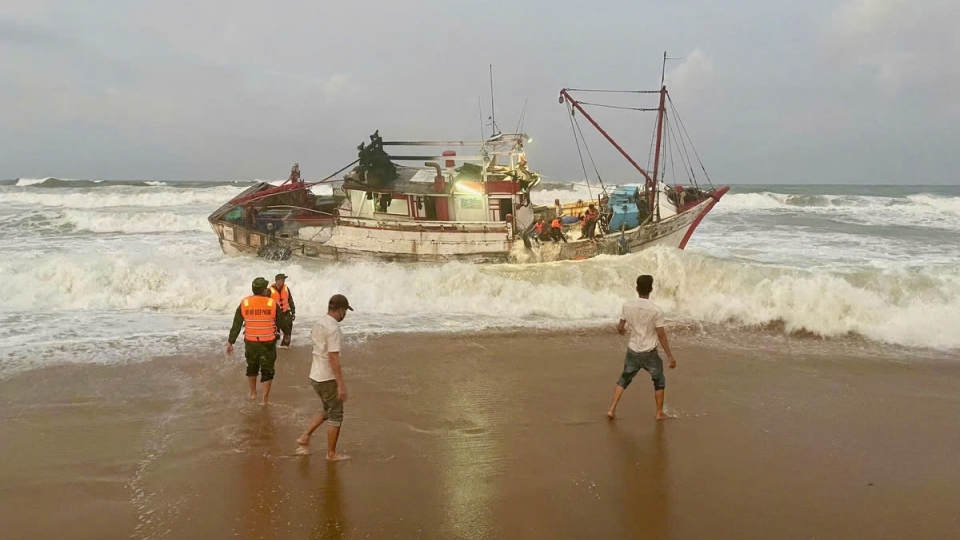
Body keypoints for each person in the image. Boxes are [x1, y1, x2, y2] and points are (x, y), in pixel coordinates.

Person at [606, 275, 677, 421]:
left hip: (633, 349)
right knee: (659, 380)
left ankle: (612, 409)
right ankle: (658, 413)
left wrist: (622, 331)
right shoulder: (656, 310)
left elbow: (620, 327)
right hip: (649, 352)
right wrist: (669, 355)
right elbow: (661, 334)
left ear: (637, 288)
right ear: (651, 289)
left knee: (624, 379)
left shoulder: (627, 305)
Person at [297, 294, 354, 461]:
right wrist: (341, 385)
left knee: (327, 409)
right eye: (345, 311)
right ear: (341, 310)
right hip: (327, 378)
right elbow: (333, 357)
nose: (345, 315)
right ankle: (331, 454)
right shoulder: (333, 328)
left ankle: (304, 437)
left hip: (315, 375)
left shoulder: (319, 323)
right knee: (336, 415)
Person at [227, 277, 281, 405]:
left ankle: (253, 393)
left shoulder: (244, 303)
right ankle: (264, 400)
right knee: (267, 370)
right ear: (263, 290)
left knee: (252, 368)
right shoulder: (272, 303)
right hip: (268, 343)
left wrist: (231, 342)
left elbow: (237, 324)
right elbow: (282, 321)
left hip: (251, 343)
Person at [270, 274, 296, 348]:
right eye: (281, 280)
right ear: (277, 281)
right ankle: (274, 349)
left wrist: (293, 312)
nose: (283, 281)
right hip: (275, 316)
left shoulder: (286, 288)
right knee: (275, 335)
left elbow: (290, 300)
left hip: (286, 313)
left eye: (284, 280)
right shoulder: (269, 291)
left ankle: (284, 348)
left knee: (288, 333)